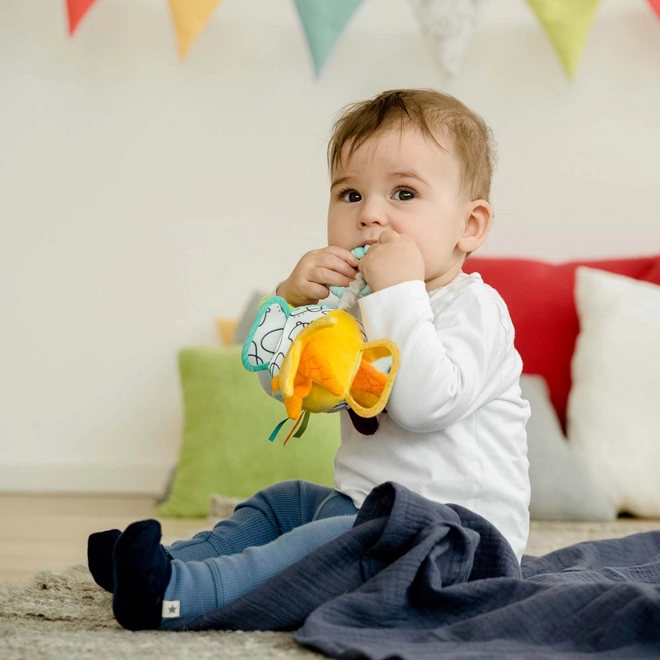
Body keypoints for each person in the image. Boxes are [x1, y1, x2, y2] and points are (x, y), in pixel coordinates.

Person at [88, 88, 531, 631]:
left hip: (458, 541)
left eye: (404, 193)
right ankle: (169, 563)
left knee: (329, 542)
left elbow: (424, 405)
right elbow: (286, 387)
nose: (370, 215)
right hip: (369, 511)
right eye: (349, 195)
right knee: (286, 503)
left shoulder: (477, 308)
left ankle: (182, 594)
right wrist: (289, 303)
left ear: (470, 226)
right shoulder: (352, 305)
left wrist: (396, 293)